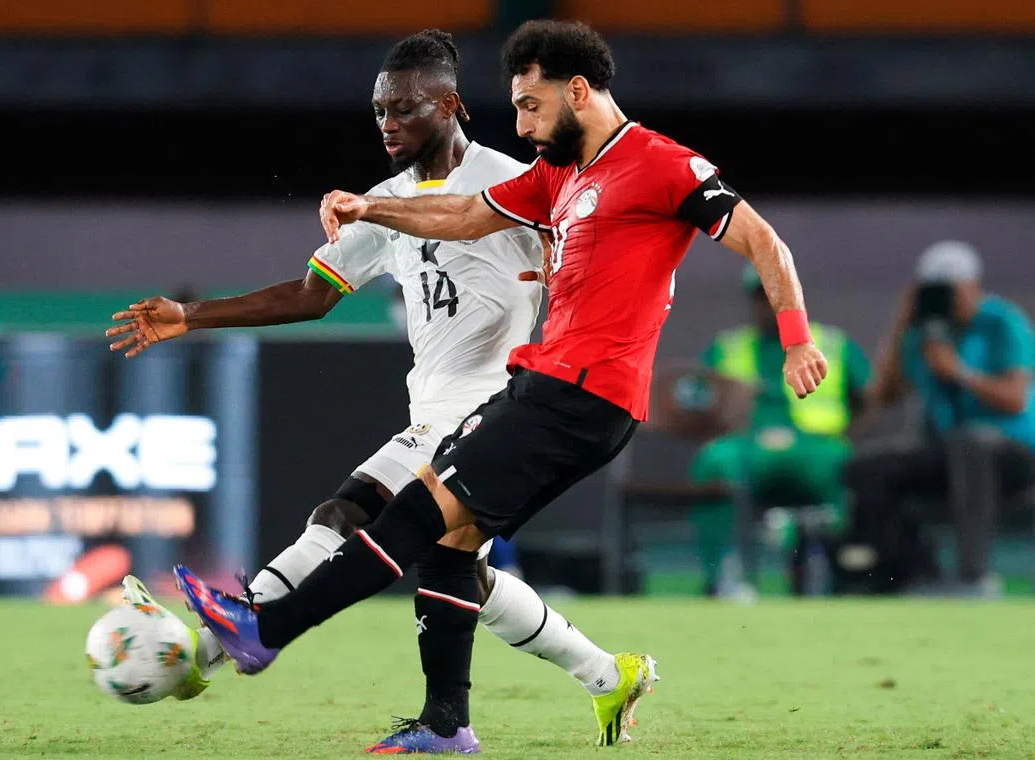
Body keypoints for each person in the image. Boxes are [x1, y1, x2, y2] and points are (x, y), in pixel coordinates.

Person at [173, 19, 826, 750]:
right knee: (452, 545)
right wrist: (371, 207)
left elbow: (764, 240)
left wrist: (796, 342)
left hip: (577, 394)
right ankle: (450, 723)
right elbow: (462, 214)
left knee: (406, 516)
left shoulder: (659, 164)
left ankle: (263, 630)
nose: (520, 121)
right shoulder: (559, 177)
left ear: (577, 91)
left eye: (530, 104)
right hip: (552, 390)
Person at [107, 30, 655, 752]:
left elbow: (579, 261)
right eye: (378, 112)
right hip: (430, 405)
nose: (388, 124)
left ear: (450, 105)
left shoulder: (513, 182)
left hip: (490, 403)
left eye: (403, 108)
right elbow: (311, 294)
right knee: (462, 572)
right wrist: (192, 316)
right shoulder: (383, 205)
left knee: (343, 512)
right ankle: (602, 675)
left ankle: (220, 642)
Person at [847, 240, 1035, 595]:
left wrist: (960, 372)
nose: (944, 299)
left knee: (972, 444)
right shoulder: (923, 334)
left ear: (972, 286)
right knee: (869, 467)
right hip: (949, 451)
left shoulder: (1002, 323)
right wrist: (903, 321)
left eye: (949, 290)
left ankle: (974, 578)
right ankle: (914, 576)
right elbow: (884, 395)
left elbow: (1014, 399)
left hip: (1011, 453)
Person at [691, 263, 870, 598]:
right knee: (715, 461)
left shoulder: (832, 344)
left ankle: (836, 567)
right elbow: (698, 402)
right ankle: (726, 574)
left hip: (813, 448)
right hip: (745, 449)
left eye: (779, 295)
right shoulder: (728, 347)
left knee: (845, 463)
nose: (771, 304)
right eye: (762, 296)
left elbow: (867, 397)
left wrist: (847, 434)